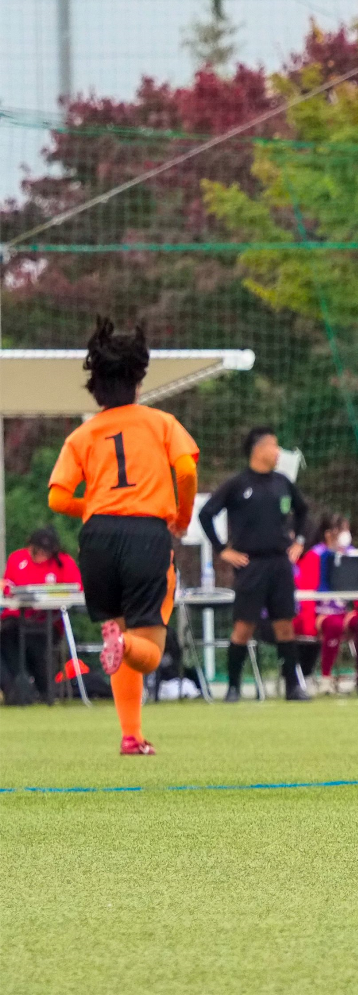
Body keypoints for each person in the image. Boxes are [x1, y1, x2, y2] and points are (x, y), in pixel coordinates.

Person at [47, 318, 199, 754]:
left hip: (97, 537)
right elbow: (186, 470)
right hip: (146, 533)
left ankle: (131, 735)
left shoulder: (82, 434)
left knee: (118, 630)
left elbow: (57, 497)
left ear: (95, 388)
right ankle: (124, 645)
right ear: (137, 381)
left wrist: (96, 507)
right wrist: (182, 516)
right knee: (147, 646)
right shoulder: (160, 422)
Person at [198, 426, 310, 702]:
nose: (277, 451)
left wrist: (299, 541)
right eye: (273, 445)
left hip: (280, 563)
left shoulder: (283, 482)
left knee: (285, 625)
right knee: (243, 627)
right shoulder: (238, 484)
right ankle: (233, 687)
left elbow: (302, 511)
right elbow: (206, 514)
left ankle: (293, 686)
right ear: (258, 450)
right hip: (251, 565)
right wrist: (223, 550)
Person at [1, 526, 83, 705]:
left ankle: (35, 689)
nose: (41, 555)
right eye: (38, 550)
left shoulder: (64, 562)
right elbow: (8, 587)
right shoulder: (17, 558)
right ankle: (16, 687)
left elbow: (76, 589)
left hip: (47, 621)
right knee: (7, 635)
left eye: (46, 551)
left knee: (35, 642)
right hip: (16, 619)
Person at [294, 512, 358, 694]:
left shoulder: (351, 555)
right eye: (341, 530)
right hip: (321, 613)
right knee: (334, 625)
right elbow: (306, 592)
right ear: (328, 534)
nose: (345, 535)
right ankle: (326, 677)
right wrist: (309, 623)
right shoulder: (314, 556)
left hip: (343, 611)